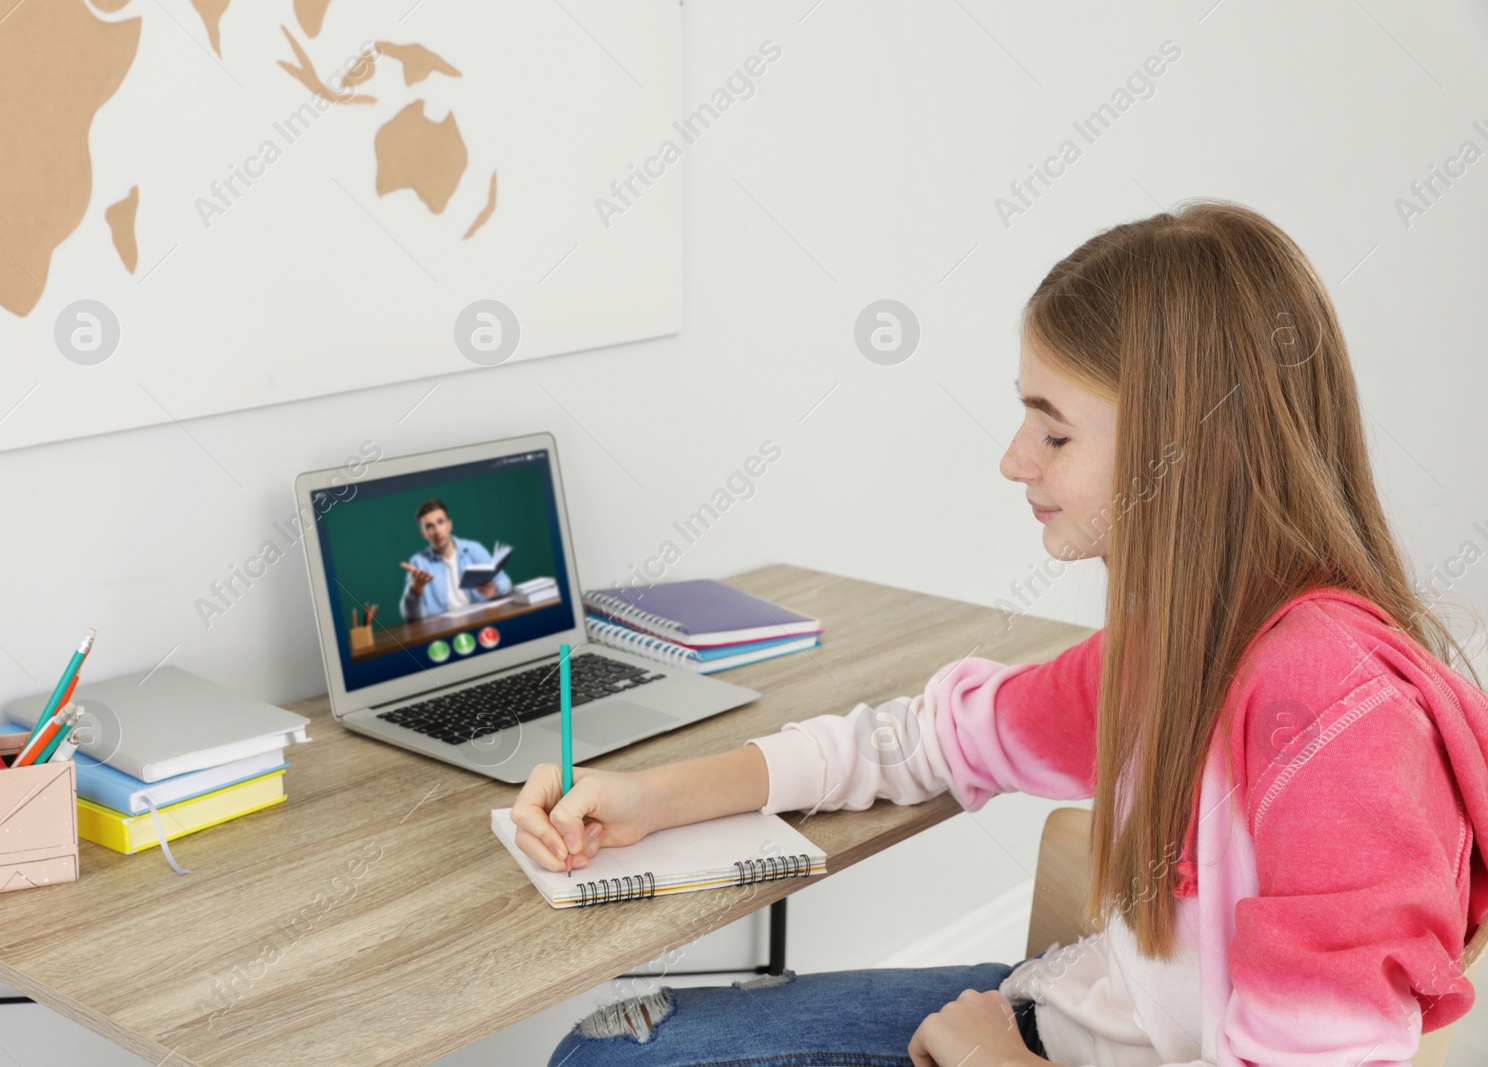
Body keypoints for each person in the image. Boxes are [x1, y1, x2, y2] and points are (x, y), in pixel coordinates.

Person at [510, 200, 1488, 1067]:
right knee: (609, 1037)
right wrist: (648, 795)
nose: (1012, 459)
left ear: (1189, 449)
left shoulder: (1328, 715)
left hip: (1032, 1043)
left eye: (1053, 431)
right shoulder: (1187, 645)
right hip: (1068, 1011)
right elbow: (921, 740)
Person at [397, 499, 512, 621]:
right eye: (429, 527)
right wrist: (415, 591)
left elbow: (506, 582)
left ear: (449, 524)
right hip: (443, 629)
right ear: (423, 534)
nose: (437, 531)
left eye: (440, 522)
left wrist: (495, 589)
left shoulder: (473, 549)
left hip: (482, 620)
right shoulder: (418, 562)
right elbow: (409, 617)